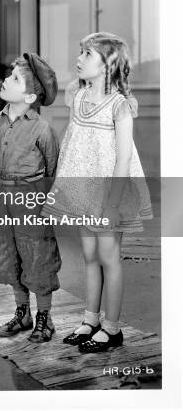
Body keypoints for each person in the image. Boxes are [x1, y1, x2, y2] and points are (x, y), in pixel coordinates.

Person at [42, 32, 152, 353]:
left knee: (108, 256)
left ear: (108, 65)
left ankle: (112, 328)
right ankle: (90, 319)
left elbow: (123, 157)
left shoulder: (119, 106)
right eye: (81, 52)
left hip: (109, 193)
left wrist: (113, 203)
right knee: (89, 256)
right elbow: (52, 86)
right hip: (84, 191)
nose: (79, 58)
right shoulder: (77, 95)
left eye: (88, 54)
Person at [0, 54, 61, 343]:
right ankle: (23, 312)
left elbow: (52, 170)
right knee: (9, 255)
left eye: (15, 79)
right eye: (10, 75)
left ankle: (44, 316)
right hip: (2, 197)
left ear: (30, 96)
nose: (6, 79)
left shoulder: (43, 129)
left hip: (30, 199)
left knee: (37, 257)